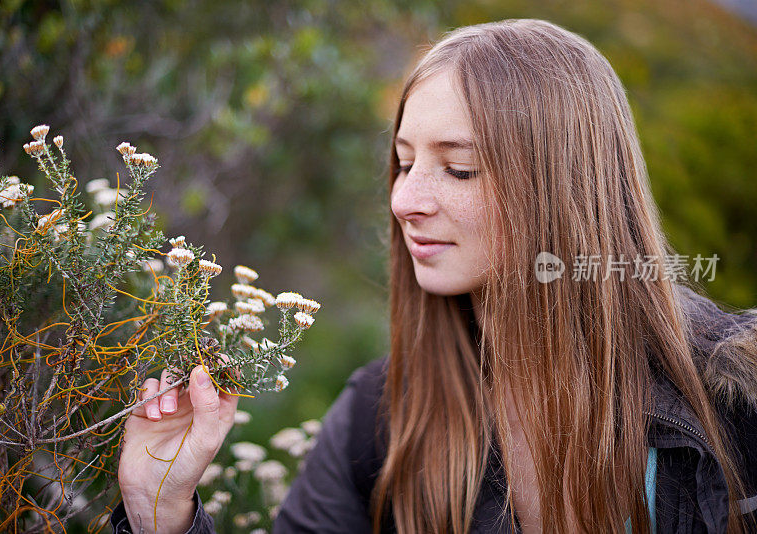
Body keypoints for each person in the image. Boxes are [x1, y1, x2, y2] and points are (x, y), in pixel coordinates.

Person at [111, 19, 757, 533]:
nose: (404, 201)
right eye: (403, 162)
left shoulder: (737, 396)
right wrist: (160, 512)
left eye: (459, 168)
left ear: (566, 186)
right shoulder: (380, 416)